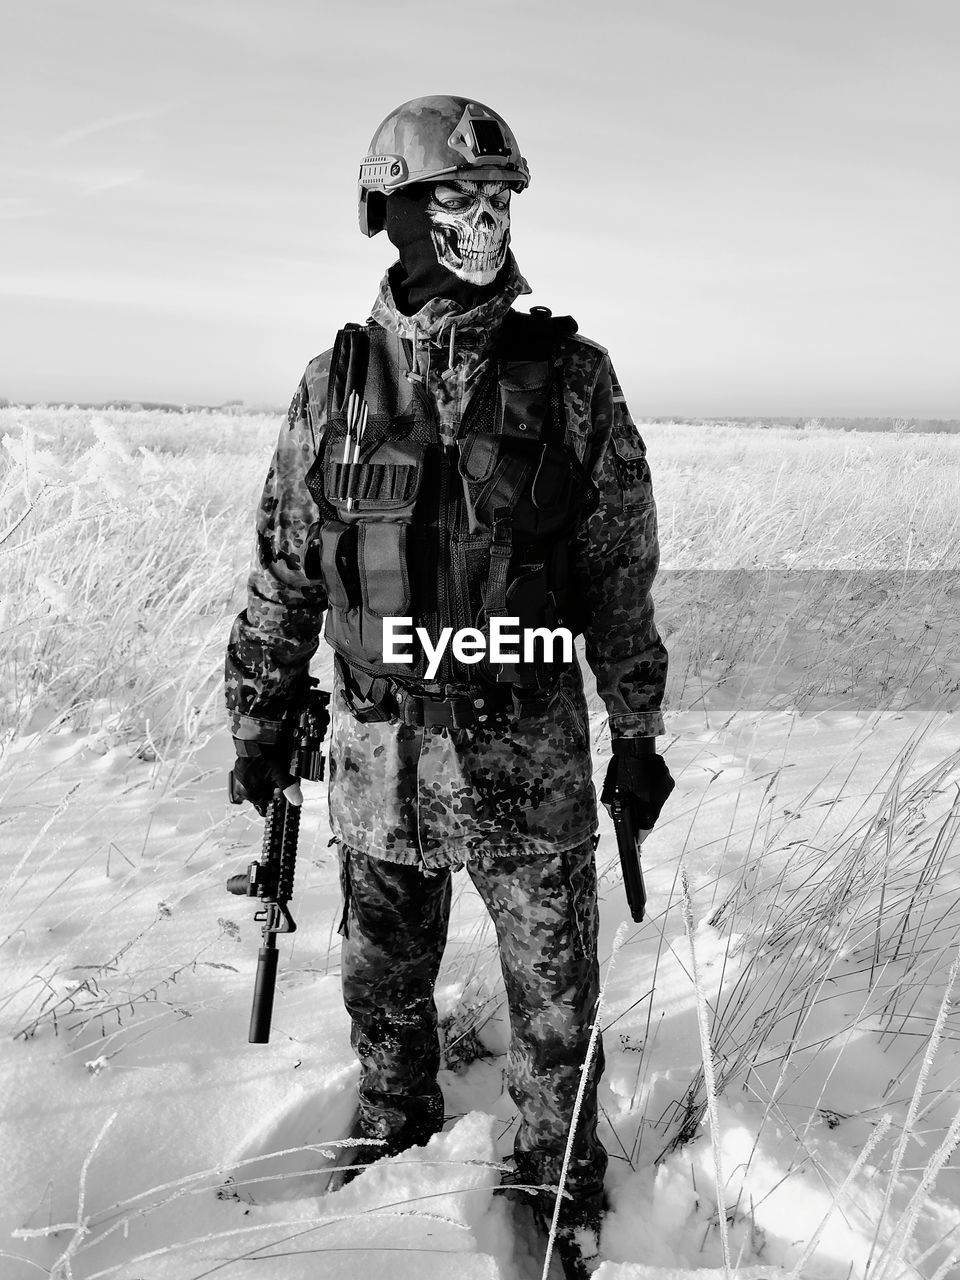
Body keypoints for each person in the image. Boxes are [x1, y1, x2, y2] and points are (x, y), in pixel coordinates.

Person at [225, 95, 673, 1276]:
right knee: (382, 1002)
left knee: (558, 1016)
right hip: (379, 768)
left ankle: (560, 1188)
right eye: (462, 200)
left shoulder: (572, 377)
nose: (487, 222)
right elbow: (284, 563)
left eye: (502, 201)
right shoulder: (334, 385)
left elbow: (621, 573)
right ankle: (389, 1158)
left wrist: (637, 726)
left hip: (528, 764)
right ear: (399, 214)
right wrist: (261, 717)